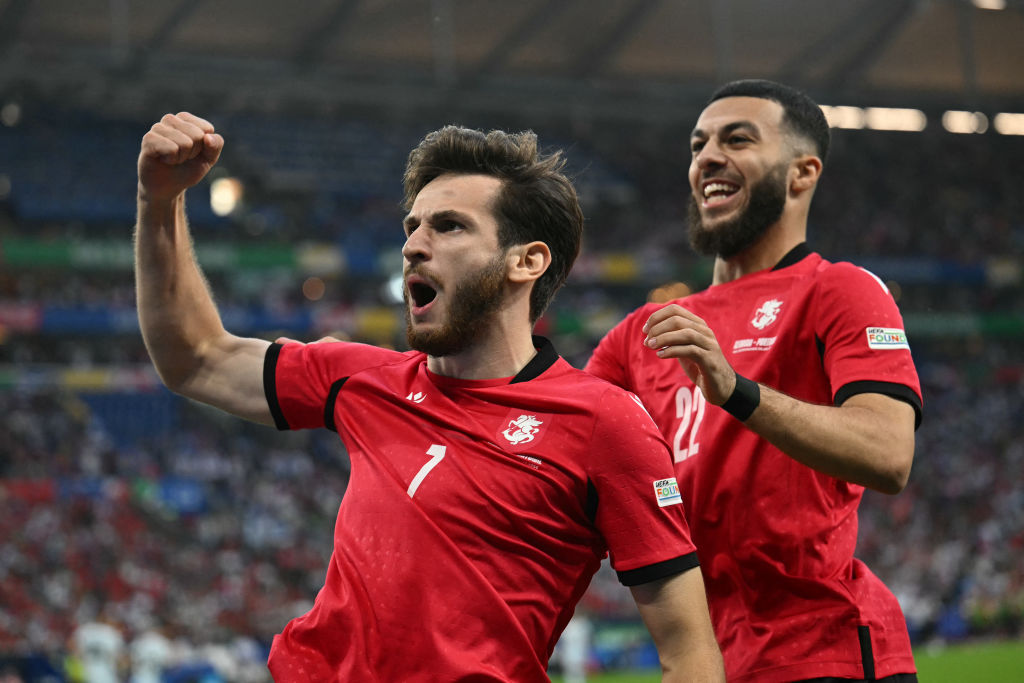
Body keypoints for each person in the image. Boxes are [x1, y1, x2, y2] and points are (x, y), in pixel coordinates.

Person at [133, 112, 724, 681]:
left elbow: (689, 650)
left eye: (449, 226)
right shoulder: (361, 378)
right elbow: (195, 359)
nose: (414, 245)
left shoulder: (603, 421)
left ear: (527, 261)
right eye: (412, 227)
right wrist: (159, 201)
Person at [586, 79, 923, 682]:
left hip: (823, 652)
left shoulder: (839, 290)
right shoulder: (639, 335)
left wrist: (735, 391)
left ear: (801, 174)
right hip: (705, 662)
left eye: (737, 140)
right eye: (698, 145)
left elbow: (888, 454)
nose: (708, 157)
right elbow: (562, 463)